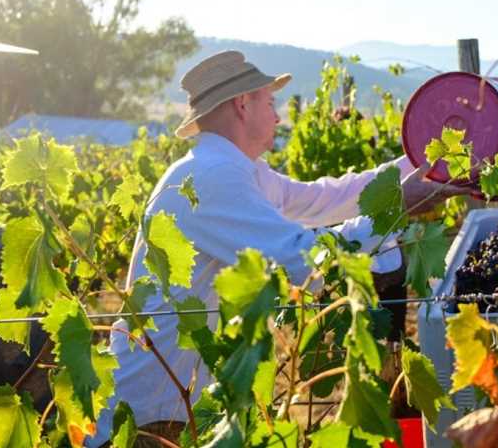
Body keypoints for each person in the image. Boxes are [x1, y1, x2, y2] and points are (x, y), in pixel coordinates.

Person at [91, 50, 464, 446]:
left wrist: (422, 162)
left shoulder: (236, 169)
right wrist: (396, 207)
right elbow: (306, 262)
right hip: (154, 422)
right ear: (241, 104)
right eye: (270, 102)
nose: (278, 115)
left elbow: (325, 199)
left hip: (176, 406)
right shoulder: (212, 176)